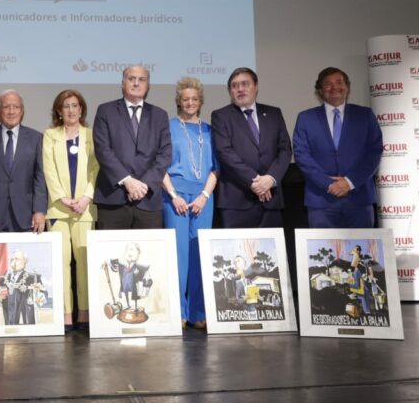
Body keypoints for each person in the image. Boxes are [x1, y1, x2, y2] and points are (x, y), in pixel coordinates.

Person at [293, 67, 383, 228]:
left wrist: (349, 182)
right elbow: (302, 155)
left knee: (362, 252)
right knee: (322, 251)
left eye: (339, 82)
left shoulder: (365, 115)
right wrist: (328, 183)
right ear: (320, 91)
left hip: (359, 198)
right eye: (328, 84)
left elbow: (373, 153)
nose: (334, 87)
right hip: (320, 201)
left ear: (347, 86)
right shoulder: (306, 118)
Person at [162, 78, 218, 328]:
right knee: (178, 255)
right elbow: (159, 165)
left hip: (203, 197)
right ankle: (179, 312)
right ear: (178, 102)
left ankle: (198, 312)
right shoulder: (168, 127)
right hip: (175, 197)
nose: (190, 103)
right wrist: (173, 195)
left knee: (199, 254)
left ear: (200, 102)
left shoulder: (210, 130)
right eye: (185, 99)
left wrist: (204, 195)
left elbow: (216, 168)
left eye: (195, 99)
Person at [42, 89, 98, 328]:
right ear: (59, 111)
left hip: (85, 209)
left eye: (75, 105)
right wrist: (62, 198)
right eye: (66, 106)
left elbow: (96, 168)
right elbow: (48, 170)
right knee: (61, 263)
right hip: (58, 210)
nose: (71, 110)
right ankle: (65, 314)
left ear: (82, 109)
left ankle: (84, 312)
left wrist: (86, 197)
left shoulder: (91, 135)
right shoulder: (50, 135)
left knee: (84, 262)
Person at [211, 67, 292, 228]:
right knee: (238, 253)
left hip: (271, 198)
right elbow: (224, 152)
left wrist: (270, 179)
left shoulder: (274, 113)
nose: (240, 89)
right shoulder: (221, 116)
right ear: (230, 91)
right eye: (234, 86)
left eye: (245, 84)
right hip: (236, 201)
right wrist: (256, 182)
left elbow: (285, 150)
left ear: (256, 87)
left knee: (270, 253)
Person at [92, 65, 172, 229]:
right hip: (113, 198)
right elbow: (102, 150)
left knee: (149, 254)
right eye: (131, 79)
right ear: (123, 83)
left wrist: (143, 185)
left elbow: (165, 154)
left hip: (148, 198)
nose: (136, 83)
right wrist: (127, 181)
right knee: (111, 254)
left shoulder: (160, 115)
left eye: (141, 79)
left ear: (148, 85)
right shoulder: (105, 111)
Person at [0, 90, 47, 234]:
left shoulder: (36, 138)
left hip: (27, 217)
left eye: (16, 107)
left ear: (22, 111)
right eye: (6, 107)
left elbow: (40, 177)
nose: (11, 111)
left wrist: (39, 210)